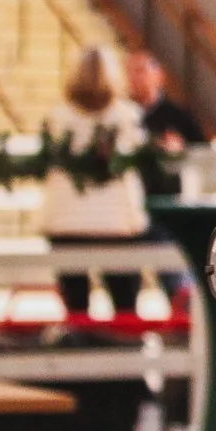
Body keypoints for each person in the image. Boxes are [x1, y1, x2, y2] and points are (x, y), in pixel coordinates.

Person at [42, 45, 149, 319]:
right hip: (115, 221)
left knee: (76, 304)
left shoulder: (58, 117)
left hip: (66, 220)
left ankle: (80, 342)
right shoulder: (126, 116)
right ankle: (124, 345)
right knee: (124, 300)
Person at [127, 50, 207, 199]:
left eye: (140, 71)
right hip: (132, 196)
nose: (134, 77)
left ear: (159, 76)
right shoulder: (123, 116)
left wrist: (182, 151)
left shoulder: (180, 116)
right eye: (129, 72)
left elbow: (203, 155)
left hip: (170, 196)